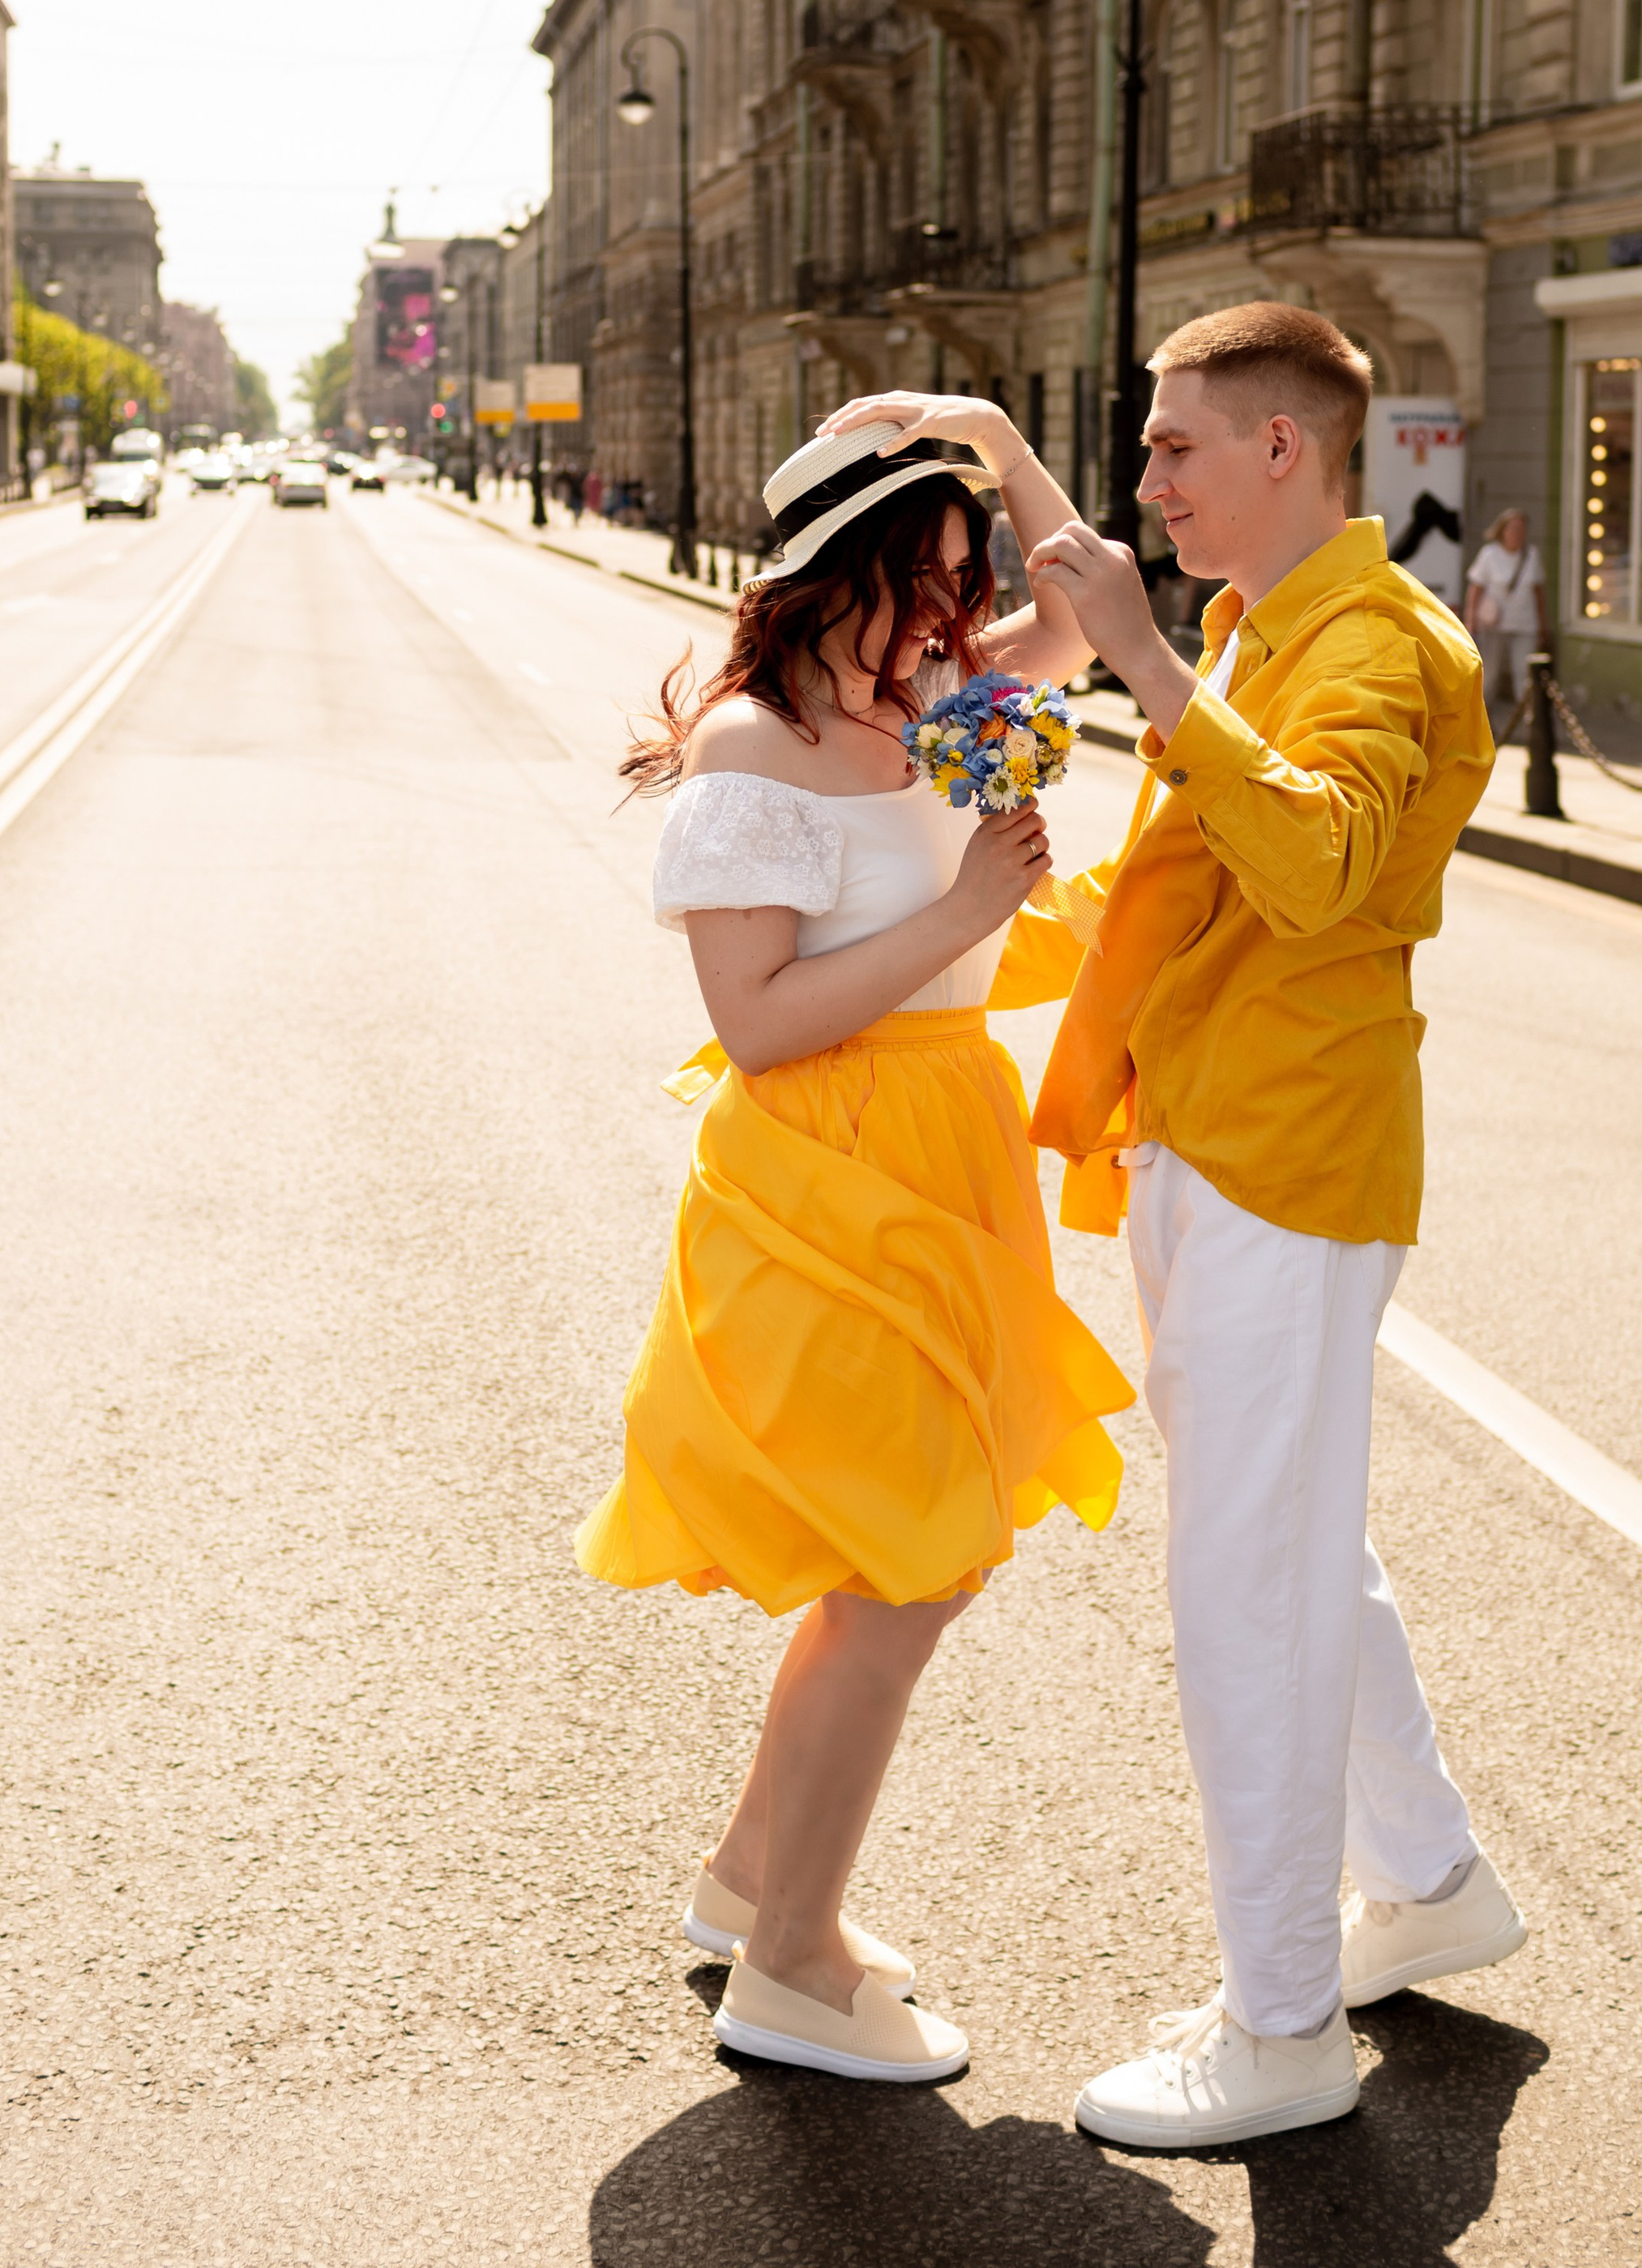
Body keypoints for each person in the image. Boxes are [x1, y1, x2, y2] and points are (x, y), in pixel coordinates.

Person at [1007, 302, 1525, 2151]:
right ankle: (1432, 1876)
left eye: (1169, 447)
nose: (1144, 479)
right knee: (1302, 1548)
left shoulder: (1377, 644)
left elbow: (1306, 868)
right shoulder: (1255, 633)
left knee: (1247, 1585)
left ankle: (1282, 2021)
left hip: (1285, 1169)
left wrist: (1143, 662)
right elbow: (1183, 902)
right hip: (1211, 1145)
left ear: (1282, 451)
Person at [579, 395, 1133, 2087]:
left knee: (911, 1561)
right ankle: (791, 1966)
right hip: (821, 1182)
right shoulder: (749, 747)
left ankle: (753, 1880)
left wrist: (989, 435)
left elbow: (1103, 615)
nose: (957, 616)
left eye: (966, 579)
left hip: (942, 1159)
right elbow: (753, 1023)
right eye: (927, 577)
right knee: (902, 1571)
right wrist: (968, 912)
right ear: (834, 574)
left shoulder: (938, 704)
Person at [1465, 506, 1549, 740]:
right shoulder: (1490, 554)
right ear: (1502, 531)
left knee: (1525, 676)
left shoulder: (1531, 555)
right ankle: (1483, 726)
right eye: (1513, 528)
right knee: (1489, 677)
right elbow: (1475, 589)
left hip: (1524, 624)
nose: (1517, 533)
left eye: (1521, 529)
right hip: (1493, 625)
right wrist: (1471, 622)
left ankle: (1531, 727)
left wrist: (1544, 625)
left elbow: (1539, 592)